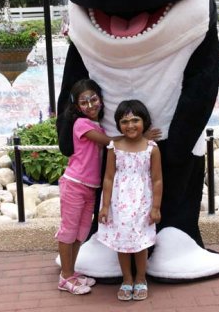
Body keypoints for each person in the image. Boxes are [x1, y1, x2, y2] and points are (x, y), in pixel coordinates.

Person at [56, 81, 161, 295]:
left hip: (90, 187)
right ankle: (65, 277)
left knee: (80, 232)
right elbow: (108, 142)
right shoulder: (82, 125)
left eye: (93, 99)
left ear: (101, 100)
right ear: (77, 106)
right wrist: (142, 137)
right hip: (75, 184)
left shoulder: (98, 125)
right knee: (69, 231)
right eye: (83, 102)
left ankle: (71, 273)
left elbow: (156, 177)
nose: (90, 105)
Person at [97, 100, 163, 301]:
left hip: (143, 202)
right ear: (118, 124)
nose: (130, 125)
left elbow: (157, 179)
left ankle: (141, 278)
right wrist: (106, 206)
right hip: (119, 204)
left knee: (140, 243)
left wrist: (156, 207)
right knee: (122, 242)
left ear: (145, 122)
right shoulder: (113, 147)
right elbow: (108, 177)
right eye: (124, 121)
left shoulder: (151, 148)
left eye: (135, 120)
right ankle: (126, 279)